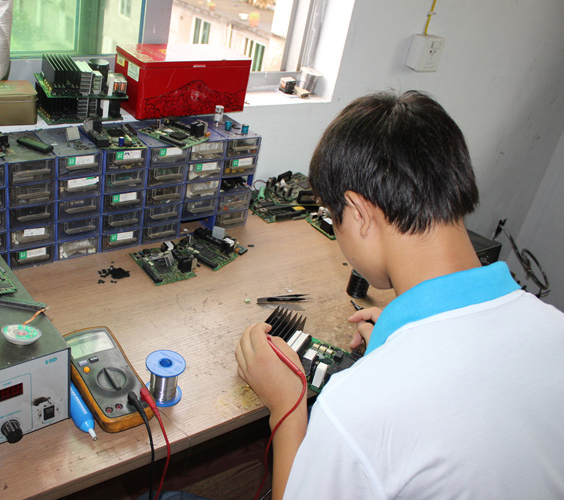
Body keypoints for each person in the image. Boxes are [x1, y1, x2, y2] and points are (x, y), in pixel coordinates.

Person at [235, 90, 564, 500]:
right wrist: (399, 338)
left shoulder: (356, 409)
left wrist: (287, 407)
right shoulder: (555, 327)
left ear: (358, 213)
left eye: (333, 218)